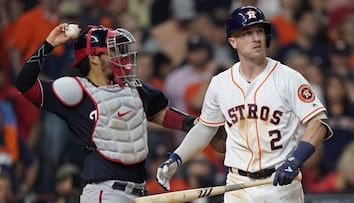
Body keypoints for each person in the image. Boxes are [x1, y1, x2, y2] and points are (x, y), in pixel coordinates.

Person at [156, 5, 333, 202]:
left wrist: (296, 160)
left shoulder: (289, 78)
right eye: (247, 33)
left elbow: (318, 124)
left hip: (280, 182)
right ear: (233, 41)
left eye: (259, 31)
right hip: (238, 184)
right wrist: (177, 158)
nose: (256, 38)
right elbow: (206, 128)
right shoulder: (220, 83)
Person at [14, 23, 202, 203]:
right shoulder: (76, 90)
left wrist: (196, 125)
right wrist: (49, 44)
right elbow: (25, 85)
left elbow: (161, 114)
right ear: (94, 58)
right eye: (113, 51)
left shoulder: (134, 89)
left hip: (139, 190)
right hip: (105, 190)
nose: (121, 57)